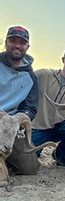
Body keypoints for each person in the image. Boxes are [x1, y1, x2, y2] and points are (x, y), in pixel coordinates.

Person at [0, 26, 39, 175]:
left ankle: (5, 160)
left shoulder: (31, 77)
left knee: (30, 168)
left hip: (11, 126)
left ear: (27, 47)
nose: (17, 45)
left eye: (22, 43)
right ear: (6, 42)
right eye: (13, 41)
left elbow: (30, 107)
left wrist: (19, 119)